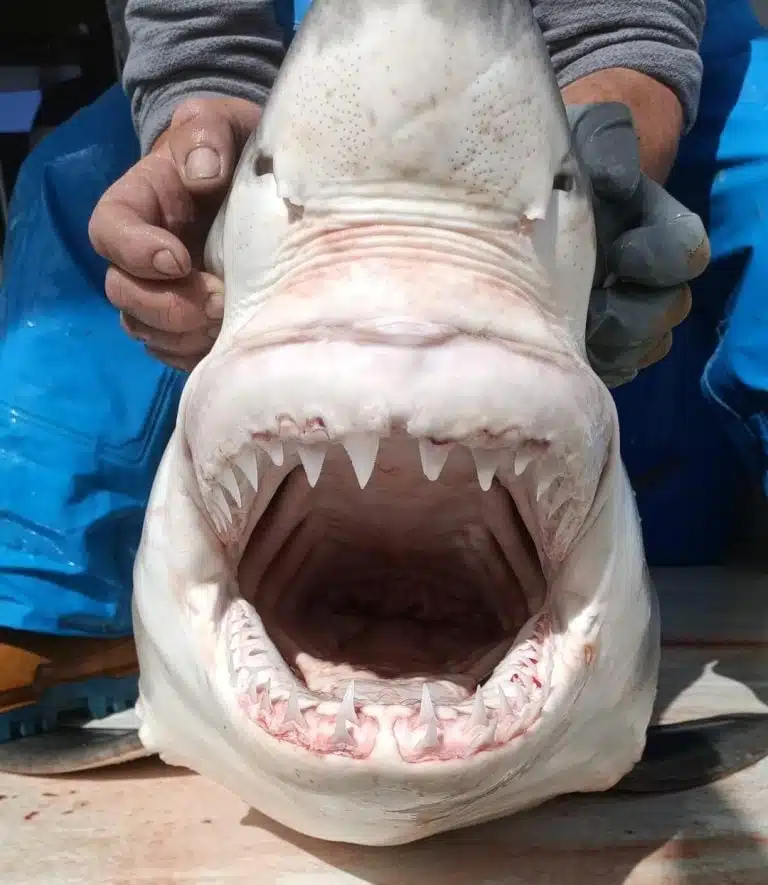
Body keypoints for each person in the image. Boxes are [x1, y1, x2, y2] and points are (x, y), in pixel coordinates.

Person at [0, 0, 762, 745]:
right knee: (75, 185)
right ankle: (52, 613)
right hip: (289, 38)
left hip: (624, 48)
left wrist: (614, 125)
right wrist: (200, 99)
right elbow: (196, 31)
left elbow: (623, 30)